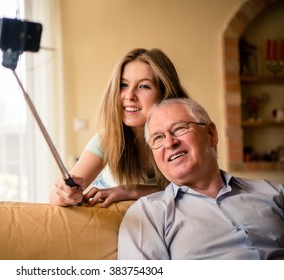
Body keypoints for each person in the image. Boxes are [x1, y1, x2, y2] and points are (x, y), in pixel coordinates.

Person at [118, 98, 284, 259]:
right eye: (158, 138)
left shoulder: (273, 192)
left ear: (211, 134)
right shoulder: (148, 214)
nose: (169, 143)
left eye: (179, 128)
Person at [49, 48, 189, 207]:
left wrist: (130, 191)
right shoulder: (106, 139)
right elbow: (54, 198)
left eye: (143, 86)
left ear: (165, 93)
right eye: (123, 85)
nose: (129, 95)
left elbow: (194, 190)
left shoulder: (185, 136)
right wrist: (64, 193)